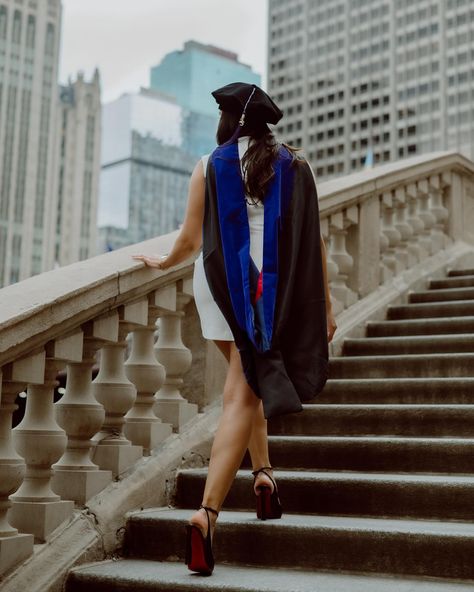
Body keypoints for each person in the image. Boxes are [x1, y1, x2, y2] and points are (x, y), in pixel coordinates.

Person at [132, 82, 337, 576]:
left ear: (229, 121)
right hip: (267, 293)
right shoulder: (293, 164)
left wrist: (163, 263)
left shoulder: (208, 164)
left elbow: (188, 239)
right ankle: (207, 514)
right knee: (242, 394)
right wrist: (326, 305)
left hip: (219, 286)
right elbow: (314, 241)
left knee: (251, 381)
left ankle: (264, 476)